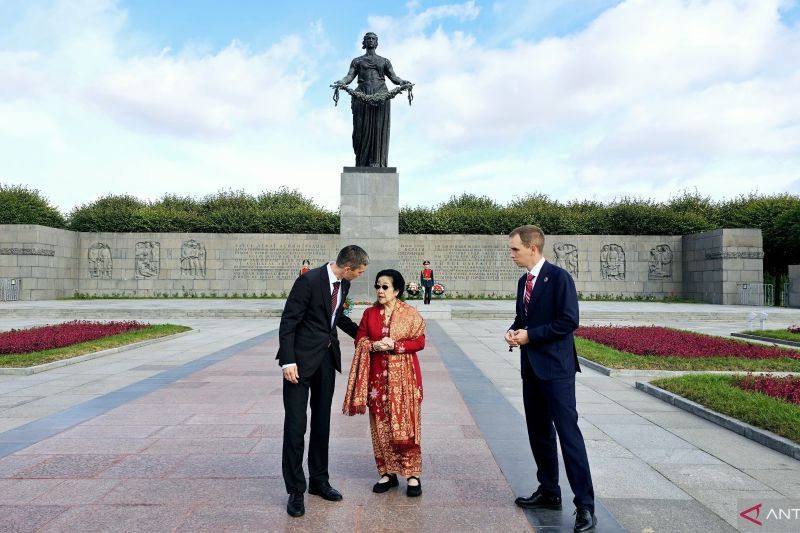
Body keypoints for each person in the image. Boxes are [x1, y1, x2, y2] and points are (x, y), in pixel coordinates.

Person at [504, 225, 596, 533]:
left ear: (533, 248)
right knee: (539, 433)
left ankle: (585, 505)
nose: (511, 254)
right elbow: (524, 318)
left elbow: (569, 321)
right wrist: (515, 330)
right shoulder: (523, 282)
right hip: (531, 368)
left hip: (556, 370)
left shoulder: (559, 278)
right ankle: (549, 491)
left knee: (568, 436)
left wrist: (531, 335)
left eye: (515, 249)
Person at [277, 245, 370, 518]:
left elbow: (336, 317)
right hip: (299, 363)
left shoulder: (344, 285)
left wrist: (363, 336)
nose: (361, 276)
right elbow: (289, 321)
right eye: (360, 272)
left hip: (327, 362)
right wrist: (287, 360)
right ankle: (295, 489)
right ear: (349, 267)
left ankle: (318, 480)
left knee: (321, 423)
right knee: (296, 425)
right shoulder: (308, 281)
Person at [343, 269, 425, 497]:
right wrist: (372, 345)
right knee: (380, 427)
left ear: (396, 290)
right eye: (377, 286)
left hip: (405, 381)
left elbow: (419, 341)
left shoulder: (410, 314)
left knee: (407, 426)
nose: (380, 290)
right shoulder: (369, 314)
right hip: (378, 381)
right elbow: (360, 338)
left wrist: (395, 346)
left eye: (385, 287)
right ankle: (387, 473)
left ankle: (412, 474)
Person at [334, 32, 412, 167]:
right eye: (368, 39)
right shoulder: (357, 61)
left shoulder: (384, 61)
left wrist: (403, 82)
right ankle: (361, 162)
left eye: (373, 39)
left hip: (381, 95)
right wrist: (342, 82)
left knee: (378, 127)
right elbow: (349, 76)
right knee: (360, 131)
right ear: (364, 43)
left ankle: (376, 161)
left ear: (376, 43)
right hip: (362, 95)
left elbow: (394, 77)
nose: (370, 40)